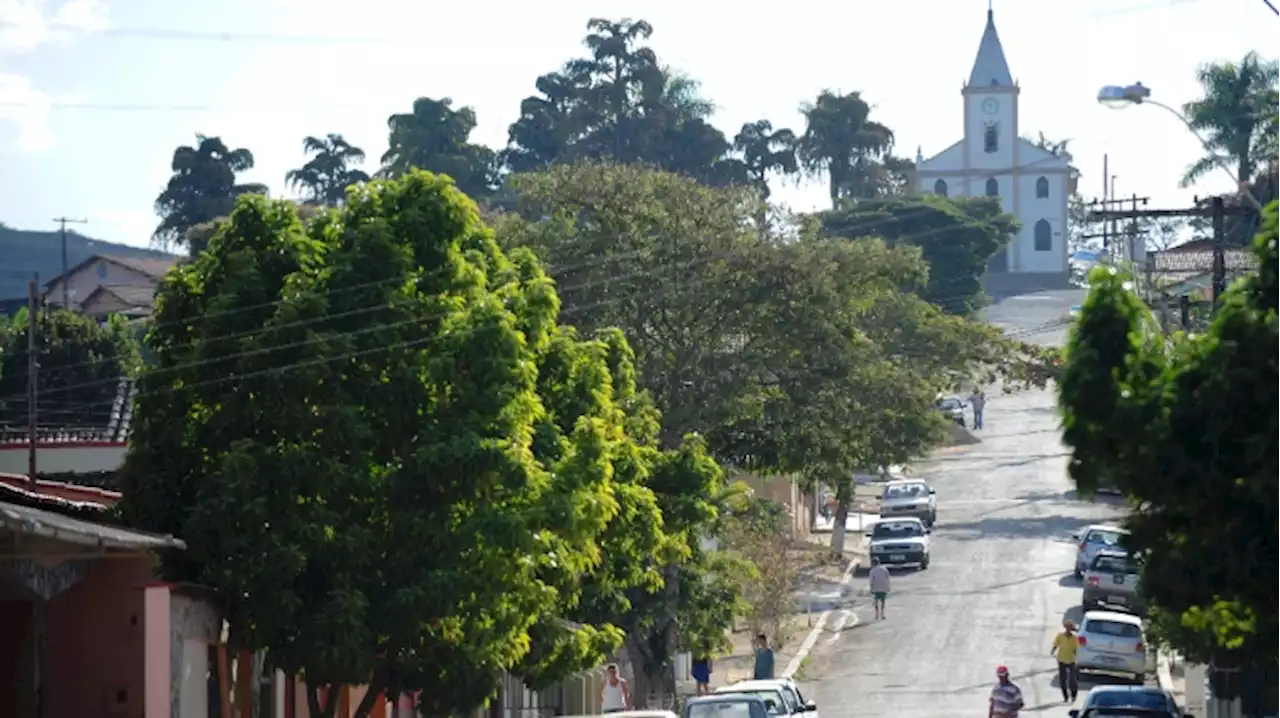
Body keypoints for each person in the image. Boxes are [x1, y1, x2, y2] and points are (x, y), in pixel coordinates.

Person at [1051, 619, 1080, 703]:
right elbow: (1056, 644)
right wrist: (1053, 650)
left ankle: (1074, 695)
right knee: (1062, 680)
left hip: (1071, 660)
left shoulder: (1075, 637)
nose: (1068, 629)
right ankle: (1065, 697)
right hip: (1062, 659)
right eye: (1067, 627)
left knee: (1072, 680)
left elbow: (1077, 648)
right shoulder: (1060, 636)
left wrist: (1077, 658)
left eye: (1070, 628)